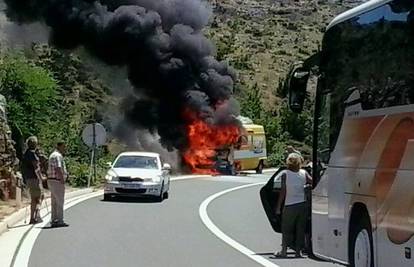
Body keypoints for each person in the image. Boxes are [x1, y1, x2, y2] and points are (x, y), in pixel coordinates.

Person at [274, 153, 312, 258]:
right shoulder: (304, 173)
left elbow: (283, 191)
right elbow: (313, 183)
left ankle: (284, 251)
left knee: (287, 229)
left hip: (289, 205)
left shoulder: (285, 174)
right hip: (303, 205)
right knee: (300, 228)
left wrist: (278, 207)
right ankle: (298, 252)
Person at [47, 141, 69, 228]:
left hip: (51, 180)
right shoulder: (58, 156)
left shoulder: (52, 155)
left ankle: (54, 219)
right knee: (60, 201)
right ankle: (60, 220)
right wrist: (62, 179)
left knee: (54, 201)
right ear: (59, 146)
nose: (65, 149)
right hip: (57, 181)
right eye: (64, 147)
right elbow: (58, 168)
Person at [22, 136, 43, 224]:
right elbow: (36, 167)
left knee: (33, 198)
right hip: (34, 178)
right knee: (39, 197)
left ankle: (32, 218)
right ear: (34, 144)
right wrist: (41, 177)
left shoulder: (26, 153)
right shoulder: (32, 154)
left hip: (28, 178)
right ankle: (37, 214)